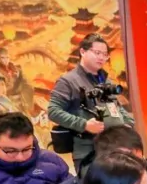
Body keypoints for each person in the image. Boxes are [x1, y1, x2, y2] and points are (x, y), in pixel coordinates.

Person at [49, 33, 134, 172]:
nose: (102, 58)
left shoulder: (106, 80)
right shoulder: (68, 81)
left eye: (105, 54)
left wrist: (127, 123)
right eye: (97, 53)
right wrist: (85, 125)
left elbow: (116, 107)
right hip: (89, 151)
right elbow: (53, 111)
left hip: (116, 148)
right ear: (83, 51)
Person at [0, 46, 34, 116]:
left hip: (21, 97)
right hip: (6, 99)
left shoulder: (17, 69)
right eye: (2, 58)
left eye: (7, 57)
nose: (5, 60)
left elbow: (25, 82)